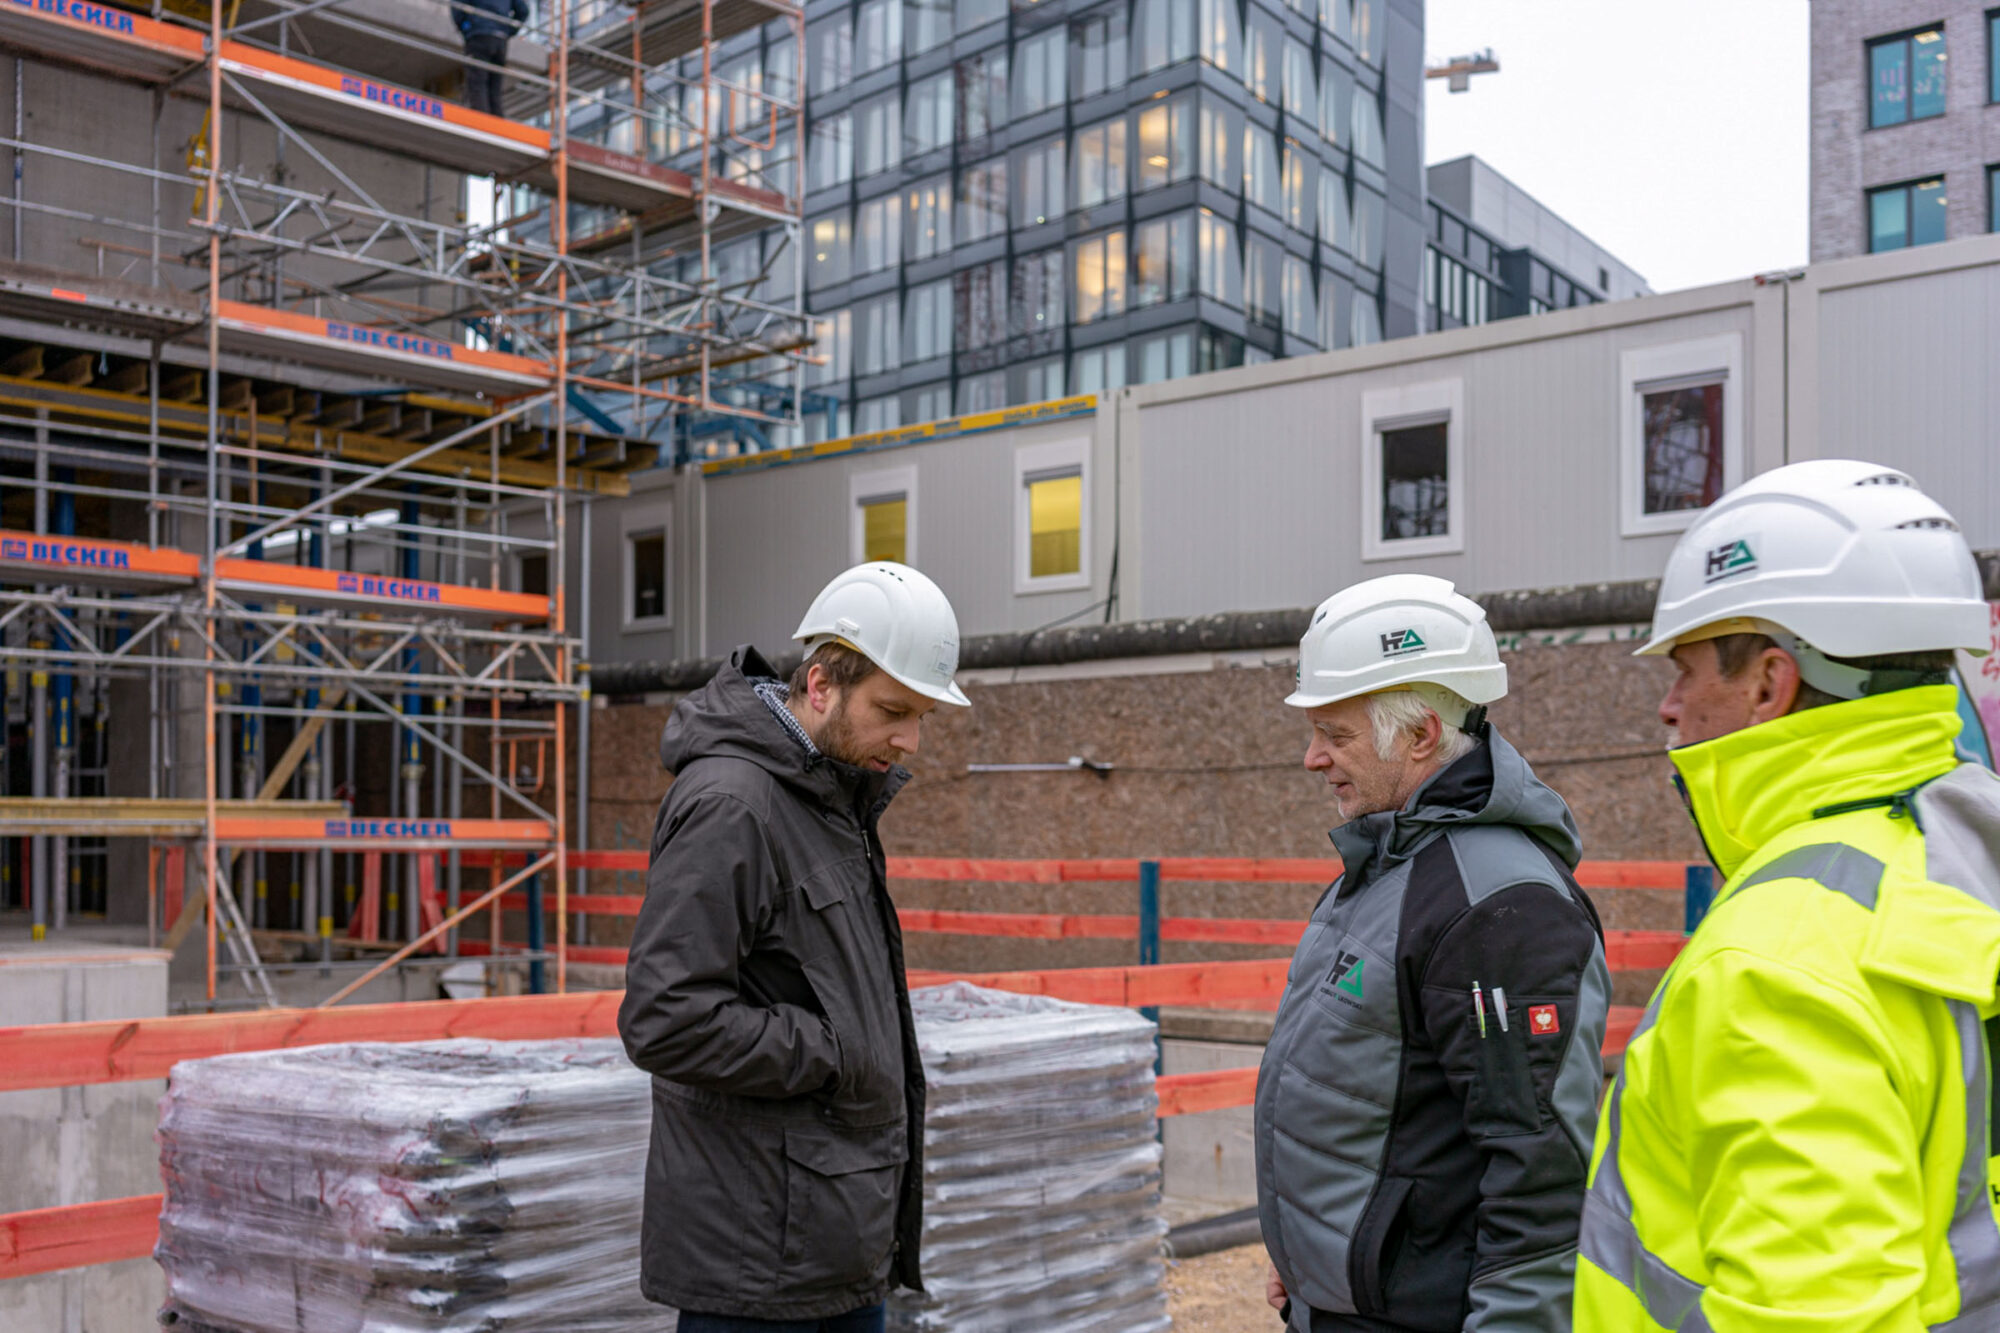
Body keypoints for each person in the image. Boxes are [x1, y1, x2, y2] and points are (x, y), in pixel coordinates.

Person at [1576, 459, 2000, 1329]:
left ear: (1771, 682)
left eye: (1687, 668)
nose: (1668, 705)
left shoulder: (1777, 957)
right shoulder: (1965, 846)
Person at [617, 561, 970, 1332]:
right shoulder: (731, 806)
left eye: (921, 717)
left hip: (833, 1246)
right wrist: (833, 1049)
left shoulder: (829, 798)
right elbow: (665, 1016)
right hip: (756, 1265)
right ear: (820, 685)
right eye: (892, 710)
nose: (909, 740)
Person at [1256, 574, 1611, 1333]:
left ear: (1421, 734)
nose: (1313, 758)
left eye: (1336, 734)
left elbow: (1539, 1182)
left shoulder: (1498, 906)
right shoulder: (1392, 862)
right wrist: (1313, 1256)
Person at [455, 0, 528, 118]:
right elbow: (523, 11)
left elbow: (457, 7)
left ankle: (481, 122)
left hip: (479, 35)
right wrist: (507, 31)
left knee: (477, 82)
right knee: (495, 85)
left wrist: (466, 28)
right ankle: (497, 123)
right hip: (499, 40)